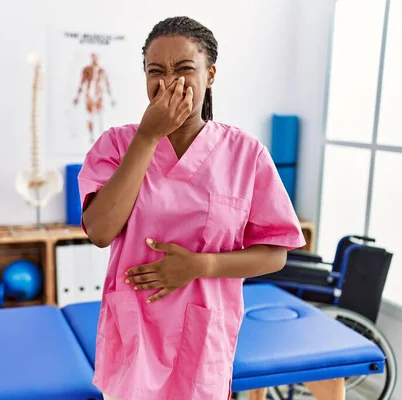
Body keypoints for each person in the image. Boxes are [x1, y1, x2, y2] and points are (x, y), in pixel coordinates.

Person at [78, 16, 305, 400]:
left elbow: (275, 253)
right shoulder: (117, 144)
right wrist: (148, 137)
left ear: (210, 74)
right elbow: (99, 232)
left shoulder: (246, 155)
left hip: (203, 339)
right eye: (156, 71)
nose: (169, 82)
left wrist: (201, 265)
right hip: (135, 332)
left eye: (184, 68)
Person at [73, 52, 116, 142]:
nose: (95, 60)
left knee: (100, 115)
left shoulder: (101, 70)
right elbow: (81, 83)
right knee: (90, 115)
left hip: (98, 95)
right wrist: (77, 96)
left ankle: (101, 137)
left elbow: (107, 84)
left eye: (96, 58)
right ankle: (91, 135)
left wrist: (111, 98)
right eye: (93, 58)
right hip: (89, 94)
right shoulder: (86, 70)